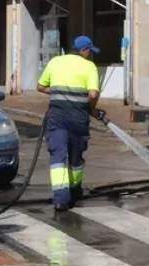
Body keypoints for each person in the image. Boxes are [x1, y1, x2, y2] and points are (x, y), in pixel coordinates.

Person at [37, 35, 106, 212]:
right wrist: (92, 109)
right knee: (75, 158)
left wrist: (59, 92)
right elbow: (92, 94)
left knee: (58, 157)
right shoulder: (89, 66)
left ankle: (60, 199)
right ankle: (75, 191)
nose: (90, 54)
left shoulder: (55, 62)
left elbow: (40, 86)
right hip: (78, 118)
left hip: (57, 117)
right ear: (83, 50)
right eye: (89, 51)